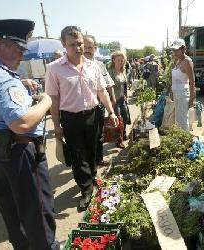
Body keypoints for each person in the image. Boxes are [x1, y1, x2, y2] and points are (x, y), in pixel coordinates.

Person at [0, 19, 59, 249]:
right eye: (19, 49)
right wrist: (46, 101)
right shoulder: (0, 77)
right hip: (19, 154)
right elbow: (21, 123)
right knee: (37, 215)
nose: (22, 56)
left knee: (12, 213)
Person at [45, 26, 118, 211]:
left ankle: (93, 178)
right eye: (73, 44)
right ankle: (86, 190)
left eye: (80, 43)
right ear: (64, 44)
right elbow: (53, 100)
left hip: (93, 115)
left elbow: (101, 91)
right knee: (78, 155)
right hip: (70, 119)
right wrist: (56, 125)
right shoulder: (54, 69)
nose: (78, 48)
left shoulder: (93, 66)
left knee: (92, 150)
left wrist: (111, 112)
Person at [83, 35, 116, 166]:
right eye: (84, 47)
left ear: (95, 48)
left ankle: (98, 158)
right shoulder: (74, 65)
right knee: (86, 137)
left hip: (99, 105)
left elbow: (108, 83)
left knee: (99, 133)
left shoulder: (100, 65)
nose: (87, 50)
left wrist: (112, 99)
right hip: (83, 108)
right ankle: (87, 162)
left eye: (90, 47)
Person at [170, 39, 196, 131]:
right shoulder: (178, 61)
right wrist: (172, 93)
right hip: (177, 93)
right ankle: (180, 139)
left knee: (183, 119)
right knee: (178, 118)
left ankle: (185, 139)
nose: (175, 52)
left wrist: (192, 98)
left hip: (183, 94)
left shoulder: (187, 61)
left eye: (177, 50)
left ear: (184, 49)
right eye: (174, 50)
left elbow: (192, 81)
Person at [108, 51, 131, 149]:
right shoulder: (110, 72)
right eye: (118, 60)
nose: (121, 62)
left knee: (125, 117)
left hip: (122, 99)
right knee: (118, 119)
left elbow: (125, 84)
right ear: (113, 60)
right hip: (114, 100)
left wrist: (125, 95)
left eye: (122, 60)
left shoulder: (122, 71)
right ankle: (118, 140)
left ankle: (123, 133)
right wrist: (112, 100)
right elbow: (109, 87)